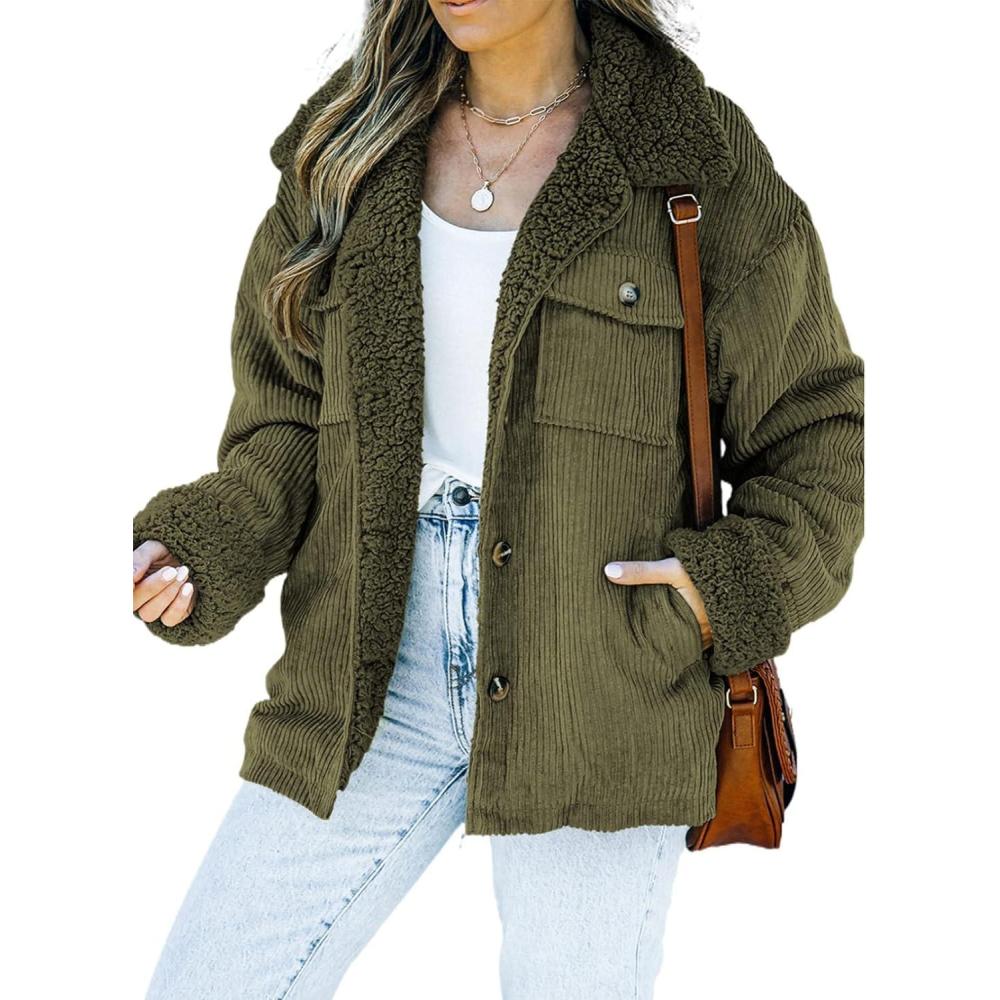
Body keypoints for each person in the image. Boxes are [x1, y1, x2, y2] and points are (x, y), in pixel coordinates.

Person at [131, 1, 865, 997]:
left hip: (600, 676)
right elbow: (291, 425)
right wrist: (201, 545)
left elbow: (815, 436)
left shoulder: (688, 153)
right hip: (368, 669)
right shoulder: (348, 147)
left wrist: (707, 593)